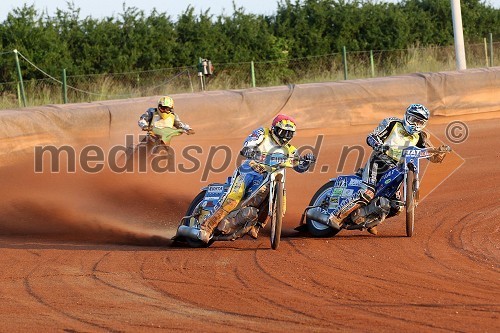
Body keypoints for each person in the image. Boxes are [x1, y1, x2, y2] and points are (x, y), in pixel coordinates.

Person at [329, 103, 447, 235]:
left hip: (398, 169)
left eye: (419, 122)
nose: (415, 125)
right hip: (379, 162)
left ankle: (370, 220)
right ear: (407, 116)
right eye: (413, 120)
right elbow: (372, 136)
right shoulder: (392, 123)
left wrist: (439, 153)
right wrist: (378, 144)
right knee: (367, 193)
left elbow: (432, 156)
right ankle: (336, 216)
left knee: (397, 207)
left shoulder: (421, 137)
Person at [197, 114, 316, 243]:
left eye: (289, 134)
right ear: (274, 129)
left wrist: (307, 162)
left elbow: (299, 167)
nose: (285, 137)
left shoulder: (290, 149)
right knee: (234, 198)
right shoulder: (263, 133)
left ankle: (256, 225)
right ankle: (208, 226)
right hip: (250, 171)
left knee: (278, 201)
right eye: (283, 132)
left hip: (272, 178)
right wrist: (249, 149)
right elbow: (248, 144)